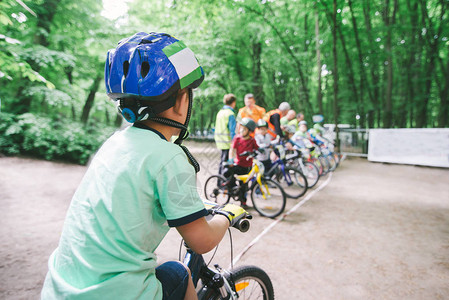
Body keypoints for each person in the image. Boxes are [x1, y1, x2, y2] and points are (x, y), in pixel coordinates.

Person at [41, 32, 249, 300]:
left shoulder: (114, 144)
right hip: (116, 295)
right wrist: (227, 214)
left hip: (60, 289)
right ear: (182, 101)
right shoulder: (170, 157)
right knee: (178, 273)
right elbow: (203, 241)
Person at [226, 117, 259, 207]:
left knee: (244, 186)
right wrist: (230, 159)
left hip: (247, 166)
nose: (241, 130)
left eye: (244, 129)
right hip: (238, 164)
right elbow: (232, 149)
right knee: (231, 177)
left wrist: (261, 150)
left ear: (249, 131)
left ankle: (243, 201)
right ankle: (229, 189)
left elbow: (257, 149)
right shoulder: (237, 138)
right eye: (241, 128)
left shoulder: (252, 140)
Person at [214, 93, 237, 175]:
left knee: (223, 162)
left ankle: (221, 182)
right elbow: (232, 131)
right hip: (227, 142)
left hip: (220, 141)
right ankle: (223, 183)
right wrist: (235, 143)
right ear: (233, 102)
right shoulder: (230, 114)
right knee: (227, 163)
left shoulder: (220, 112)